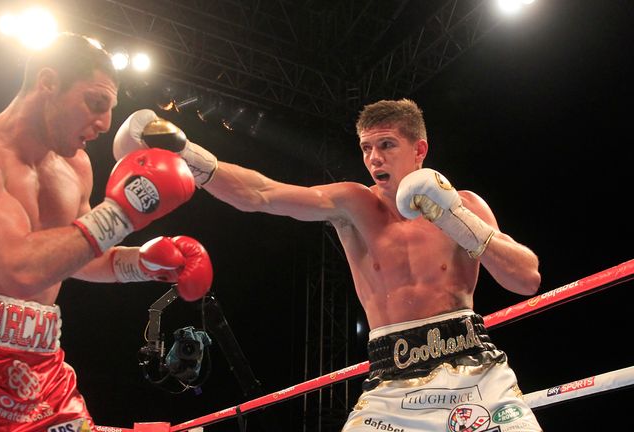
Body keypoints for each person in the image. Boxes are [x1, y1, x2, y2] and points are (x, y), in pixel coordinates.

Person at [113, 100, 543, 431]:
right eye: (366, 148)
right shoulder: (352, 205)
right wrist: (188, 153)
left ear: (420, 149)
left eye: (387, 145)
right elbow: (261, 194)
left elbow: (526, 279)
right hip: (391, 384)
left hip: (475, 370)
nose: (374, 158)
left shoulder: (465, 205)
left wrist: (455, 219)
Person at [0, 33, 214, 432]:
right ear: (47, 82)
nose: (105, 123)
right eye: (95, 103)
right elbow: (19, 270)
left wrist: (142, 263)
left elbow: (80, 254)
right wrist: (123, 213)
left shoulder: (76, 168)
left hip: (41, 370)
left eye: (111, 109)